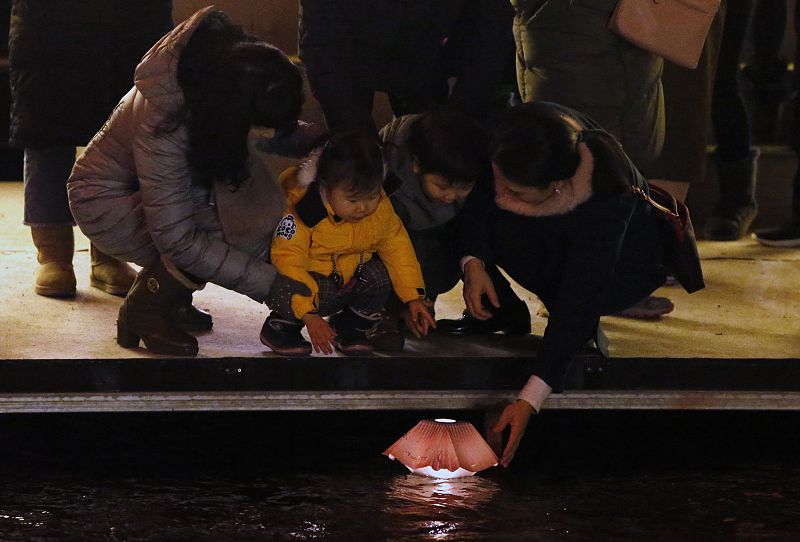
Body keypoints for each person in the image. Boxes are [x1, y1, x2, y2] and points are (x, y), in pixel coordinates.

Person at [460, 102, 701, 466]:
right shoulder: (517, 134)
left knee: (573, 308)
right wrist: (474, 264)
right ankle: (502, 310)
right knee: (483, 222)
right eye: (501, 181)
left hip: (625, 269)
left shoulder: (608, 194)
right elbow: (481, 199)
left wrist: (530, 398)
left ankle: (578, 336)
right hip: (550, 230)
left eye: (517, 192)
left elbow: (581, 291)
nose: (502, 194)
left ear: (557, 185)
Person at [68, 8, 315, 356]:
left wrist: (321, 141)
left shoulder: (222, 75)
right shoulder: (165, 123)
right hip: (103, 203)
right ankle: (145, 309)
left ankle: (173, 297)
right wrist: (270, 284)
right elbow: (178, 238)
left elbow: (264, 130)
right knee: (219, 227)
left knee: (225, 209)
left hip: (141, 192)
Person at [9, 0, 174, 297]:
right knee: (46, 127)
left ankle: (109, 252)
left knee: (120, 136)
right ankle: (53, 252)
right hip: (48, 21)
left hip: (129, 19)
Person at [262, 131, 435, 356]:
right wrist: (309, 315)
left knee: (378, 275)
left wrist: (414, 297)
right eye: (352, 199)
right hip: (311, 288)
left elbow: (398, 247)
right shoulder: (305, 210)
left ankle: (350, 329)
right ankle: (281, 327)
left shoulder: (381, 208)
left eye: (372, 196)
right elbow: (287, 262)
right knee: (295, 281)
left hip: (347, 282)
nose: (363, 208)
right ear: (325, 186)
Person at [376, 108, 530, 348]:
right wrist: (408, 301)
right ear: (416, 165)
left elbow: (473, 221)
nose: (450, 196)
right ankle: (380, 313)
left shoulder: (474, 165)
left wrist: (473, 264)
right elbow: (388, 243)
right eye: (441, 186)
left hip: (440, 235)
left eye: (463, 188)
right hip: (390, 242)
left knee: (471, 253)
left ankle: (502, 309)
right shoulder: (388, 172)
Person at [298, 0, 515, 134]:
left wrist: (459, 113)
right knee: (355, 152)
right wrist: (352, 134)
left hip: (426, 53)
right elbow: (322, 48)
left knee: (434, 146)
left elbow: (490, 32)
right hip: (352, 55)